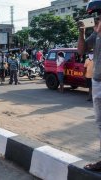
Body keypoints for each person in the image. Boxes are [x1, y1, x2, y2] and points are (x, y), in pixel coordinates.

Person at [77, 0, 101, 171]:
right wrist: (82, 32)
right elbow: (81, 50)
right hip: (97, 81)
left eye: (97, 16)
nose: (96, 20)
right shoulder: (97, 34)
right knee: (100, 123)